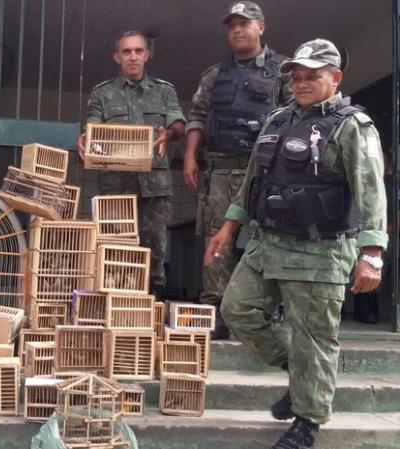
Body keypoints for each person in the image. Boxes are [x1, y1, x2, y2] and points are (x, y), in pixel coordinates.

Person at [205, 39, 387, 449]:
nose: (301, 84)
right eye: (297, 77)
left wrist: (371, 254)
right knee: (237, 310)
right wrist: (227, 228)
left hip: (319, 252)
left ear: (335, 78)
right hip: (266, 245)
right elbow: (252, 182)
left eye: (312, 76)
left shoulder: (351, 126)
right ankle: (298, 370)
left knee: (315, 339)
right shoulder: (277, 121)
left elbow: (372, 191)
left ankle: (307, 424)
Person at [183, 1, 290, 339]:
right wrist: (189, 155)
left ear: (262, 27)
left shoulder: (286, 71)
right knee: (217, 242)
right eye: (232, 25)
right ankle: (217, 312)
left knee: (269, 240)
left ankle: (269, 310)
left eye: (245, 23)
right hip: (222, 171)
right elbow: (198, 115)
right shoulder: (215, 75)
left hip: (267, 174)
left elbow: (295, 120)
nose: (238, 30)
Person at [77, 30, 186, 295]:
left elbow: (179, 124)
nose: (133, 57)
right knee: (115, 250)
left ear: (147, 55)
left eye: (138, 51)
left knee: (155, 249)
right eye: (126, 52)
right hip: (116, 185)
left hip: (155, 185)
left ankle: (152, 303)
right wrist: (86, 138)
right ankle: (118, 305)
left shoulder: (164, 90)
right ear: (117, 57)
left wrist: (169, 133)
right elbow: (92, 126)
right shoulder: (103, 93)